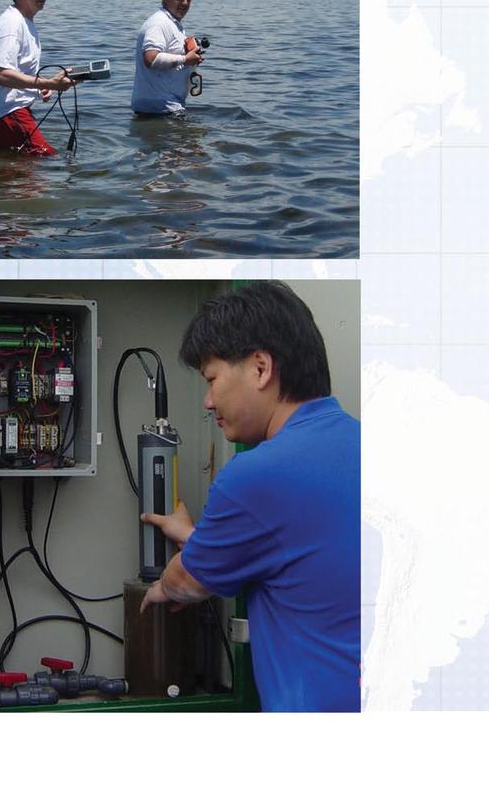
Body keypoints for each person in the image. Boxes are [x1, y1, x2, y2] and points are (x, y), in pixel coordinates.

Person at [140, 281, 360, 712]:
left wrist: (162, 585)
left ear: (260, 368)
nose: (206, 401)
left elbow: (187, 582)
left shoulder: (255, 475)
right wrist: (200, 538)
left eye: (212, 379)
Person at [0, 0, 74, 155]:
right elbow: (1, 74)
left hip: (9, 112)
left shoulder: (25, 21)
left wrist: (41, 87)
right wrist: (49, 83)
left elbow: (15, 72)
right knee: (46, 158)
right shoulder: (12, 23)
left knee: (15, 167)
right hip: (6, 112)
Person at [130, 0, 204, 116]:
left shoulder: (173, 23)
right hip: (158, 111)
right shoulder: (159, 23)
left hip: (167, 108)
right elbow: (151, 59)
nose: (184, 3)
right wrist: (185, 59)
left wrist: (190, 59)